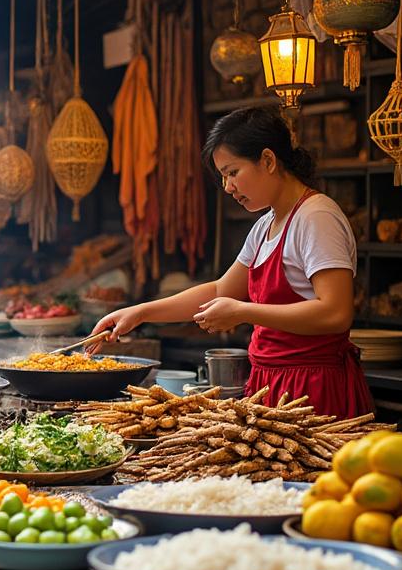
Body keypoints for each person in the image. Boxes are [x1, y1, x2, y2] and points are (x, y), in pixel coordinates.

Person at [92, 106, 371, 418]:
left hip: (314, 386)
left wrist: (242, 312)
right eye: (223, 176)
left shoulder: (316, 217)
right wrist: (140, 312)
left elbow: (335, 313)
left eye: (232, 172)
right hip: (271, 383)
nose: (227, 187)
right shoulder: (266, 225)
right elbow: (219, 290)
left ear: (268, 160)